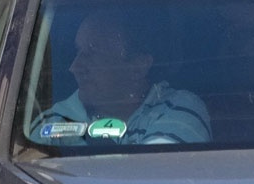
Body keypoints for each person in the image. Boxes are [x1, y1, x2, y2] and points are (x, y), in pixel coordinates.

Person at [31, 9, 212, 145]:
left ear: (138, 67)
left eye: (92, 54)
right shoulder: (55, 121)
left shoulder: (178, 110)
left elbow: (158, 174)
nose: (74, 67)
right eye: (78, 52)